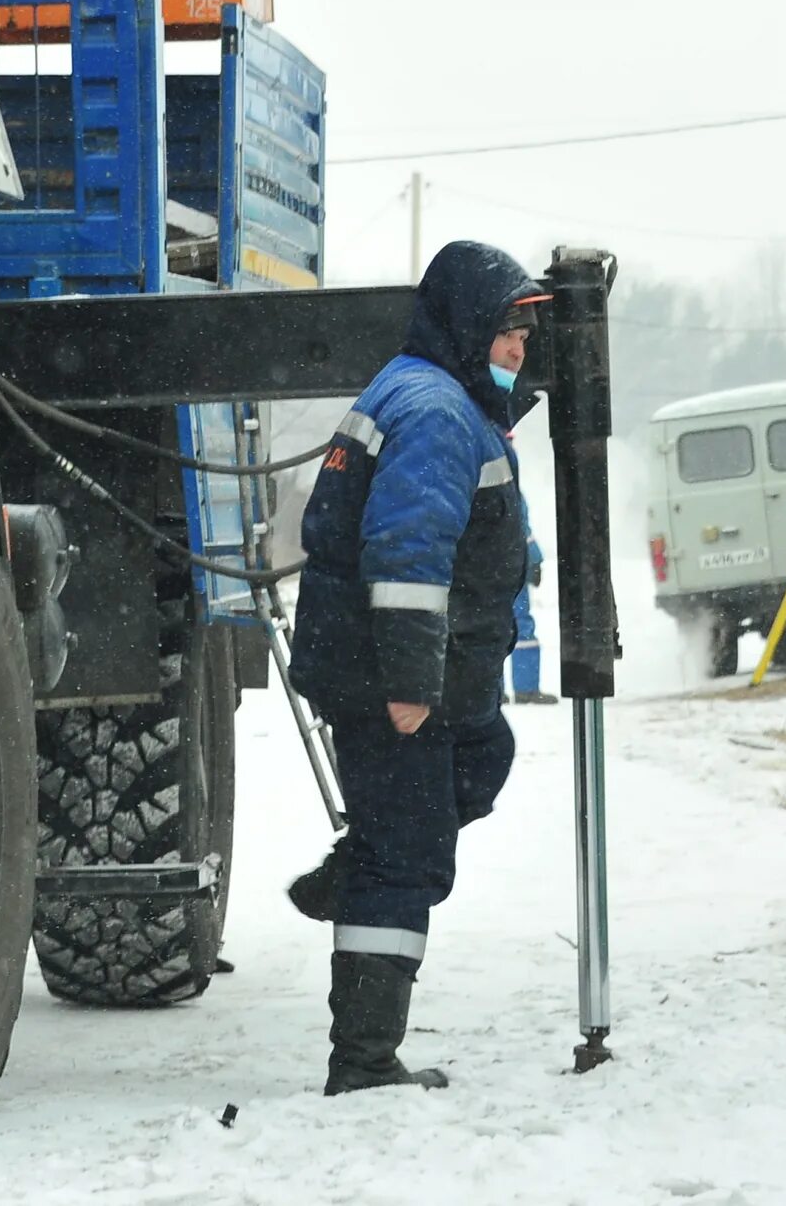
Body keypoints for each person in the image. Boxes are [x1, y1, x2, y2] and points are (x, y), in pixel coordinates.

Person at [281, 240, 549, 1094]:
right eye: (508, 331)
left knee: (483, 759)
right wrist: (406, 685)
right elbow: (407, 553)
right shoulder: (434, 412)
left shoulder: (450, 402)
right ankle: (363, 1063)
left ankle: (365, 859)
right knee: (409, 861)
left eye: (525, 336)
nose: (518, 349)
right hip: (382, 672)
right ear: (469, 326)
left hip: (415, 673)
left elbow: (480, 532)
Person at [509, 535, 553, 704]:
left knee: (492, 626)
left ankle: (490, 690)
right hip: (512, 561)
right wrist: (535, 557)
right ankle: (525, 688)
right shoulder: (513, 509)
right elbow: (522, 527)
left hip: (489, 563)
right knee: (521, 626)